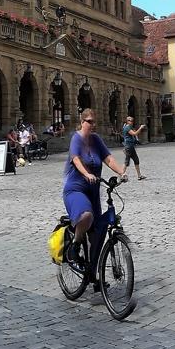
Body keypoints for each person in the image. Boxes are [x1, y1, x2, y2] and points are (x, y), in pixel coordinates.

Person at [62, 109, 128, 281]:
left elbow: (108, 159)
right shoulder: (76, 138)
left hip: (92, 191)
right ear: (82, 122)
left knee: (98, 232)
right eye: (89, 121)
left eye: (94, 122)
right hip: (75, 189)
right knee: (86, 216)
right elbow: (75, 159)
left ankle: (92, 272)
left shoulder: (96, 140)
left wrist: (122, 172)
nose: (92, 125)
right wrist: (87, 174)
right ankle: (75, 246)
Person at [121, 116, 146, 181]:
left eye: (132, 120)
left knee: (136, 160)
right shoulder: (127, 127)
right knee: (127, 161)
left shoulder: (129, 127)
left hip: (131, 146)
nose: (131, 122)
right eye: (130, 120)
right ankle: (121, 175)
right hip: (128, 146)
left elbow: (134, 133)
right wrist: (140, 128)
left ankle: (139, 176)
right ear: (127, 121)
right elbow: (134, 134)